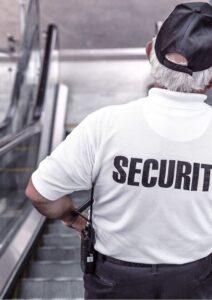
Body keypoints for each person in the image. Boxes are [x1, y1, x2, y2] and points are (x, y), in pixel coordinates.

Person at [26, 2, 212, 299]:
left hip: (116, 279)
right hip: (193, 279)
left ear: (149, 51)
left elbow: (39, 193)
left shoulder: (106, 124)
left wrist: (72, 217)